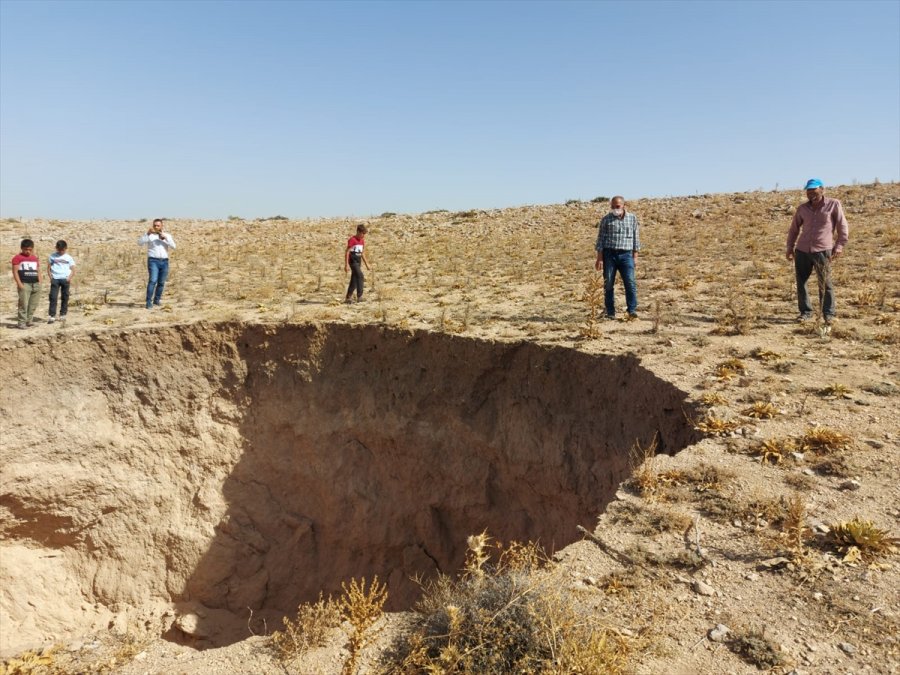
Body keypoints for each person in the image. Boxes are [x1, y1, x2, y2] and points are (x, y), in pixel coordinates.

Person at [786, 178, 849, 324]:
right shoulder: (802, 209)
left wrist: (839, 246)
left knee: (825, 283)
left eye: (813, 190)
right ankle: (805, 312)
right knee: (801, 282)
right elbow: (794, 229)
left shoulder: (833, 204)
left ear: (822, 189)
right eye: (808, 190)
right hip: (802, 250)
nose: (810, 193)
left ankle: (828, 314)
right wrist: (790, 247)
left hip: (822, 250)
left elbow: (842, 226)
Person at [594, 195, 641, 320]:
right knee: (608, 283)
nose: (615, 209)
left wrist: (635, 257)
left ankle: (631, 310)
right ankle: (610, 312)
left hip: (626, 255)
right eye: (613, 206)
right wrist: (599, 258)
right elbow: (600, 240)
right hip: (609, 255)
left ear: (624, 205)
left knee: (630, 282)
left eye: (618, 206)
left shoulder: (632, 218)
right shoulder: (606, 219)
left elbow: (636, 238)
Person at [138, 218, 176, 309]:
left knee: (161, 282)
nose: (156, 227)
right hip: (153, 261)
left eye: (158, 225)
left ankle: (157, 300)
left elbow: (174, 246)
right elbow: (140, 243)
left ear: (162, 226)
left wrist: (165, 238)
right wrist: (147, 234)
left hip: (164, 261)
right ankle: (148, 302)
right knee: (153, 280)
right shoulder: (150, 235)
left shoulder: (167, 235)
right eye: (154, 225)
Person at [11, 238, 42, 329]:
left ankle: (29, 321)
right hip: (25, 284)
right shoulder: (17, 258)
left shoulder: (34, 258)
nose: (28, 251)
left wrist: (40, 282)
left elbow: (38, 270)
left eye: (30, 249)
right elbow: (15, 272)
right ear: (22, 248)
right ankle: (21, 322)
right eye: (26, 249)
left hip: (35, 284)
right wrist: (19, 284)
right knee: (23, 304)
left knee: (33, 304)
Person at [47, 240, 76, 324]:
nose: (61, 251)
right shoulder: (52, 256)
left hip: (65, 279)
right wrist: (51, 277)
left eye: (62, 250)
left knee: (65, 297)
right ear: (56, 248)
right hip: (55, 279)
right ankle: (52, 315)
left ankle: (63, 314)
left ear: (66, 248)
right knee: (53, 297)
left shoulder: (69, 257)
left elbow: (73, 269)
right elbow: (48, 268)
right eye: (59, 249)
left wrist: (69, 278)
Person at [344, 223, 371, 303]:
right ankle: (359, 297)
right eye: (362, 233)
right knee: (360, 276)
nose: (363, 236)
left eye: (364, 234)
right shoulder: (352, 240)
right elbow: (347, 252)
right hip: (353, 262)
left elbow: (362, 253)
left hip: (358, 262)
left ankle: (348, 298)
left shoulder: (362, 241)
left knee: (354, 279)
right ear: (358, 232)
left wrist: (367, 264)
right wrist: (346, 265)